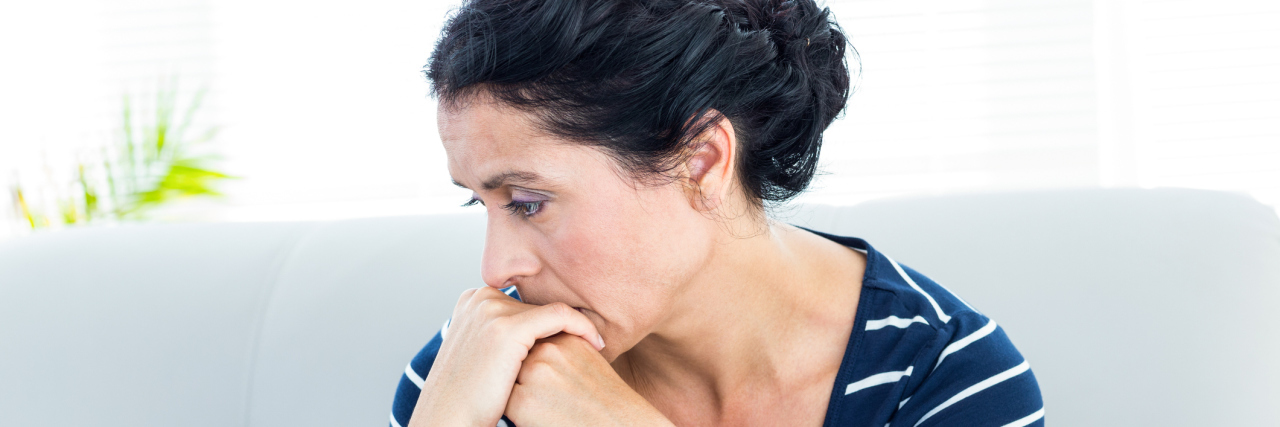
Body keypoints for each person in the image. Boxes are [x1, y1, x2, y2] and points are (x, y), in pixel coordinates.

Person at [390, 0, 1044, 425]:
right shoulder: (479, 360)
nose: (495, 267)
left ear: (701, 162)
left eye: (528, 203)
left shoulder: (940, 378)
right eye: (482, 201)